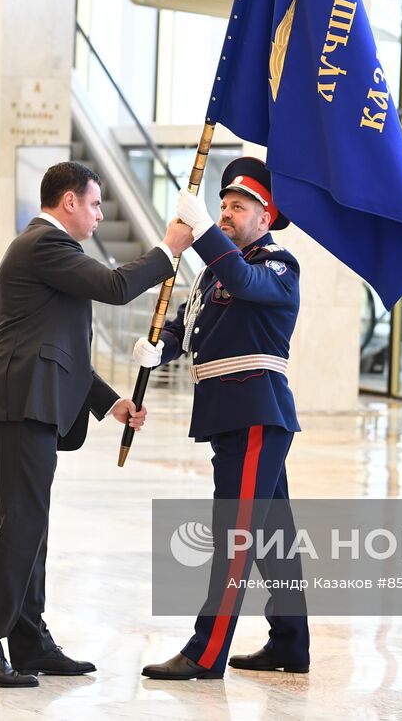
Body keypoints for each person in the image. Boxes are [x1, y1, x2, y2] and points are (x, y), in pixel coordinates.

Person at [0, 162, 193, 688]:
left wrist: (111, 404)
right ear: (68, 203)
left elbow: (62, 347)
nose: (100, 214)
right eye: (95, 204)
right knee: (23, 525)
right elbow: (115, 285)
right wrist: (169, 248)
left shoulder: (52, 252)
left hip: (25, 401)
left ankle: (29, 640)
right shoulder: (44, 245)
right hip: (18, 403)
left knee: (29, 526)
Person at [135, 158, 311, 681]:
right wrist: (159, 347)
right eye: (224, 205)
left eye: (239, 207)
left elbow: (245, 280)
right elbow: (191, 323)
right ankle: (290, 642)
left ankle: (205, 651)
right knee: (271, 534)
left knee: (234, 536)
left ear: (266, 216)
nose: (227, 212)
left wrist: (207, 233)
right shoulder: (216, 269)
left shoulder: (277, 266)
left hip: (257, 412)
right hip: (231, 413)